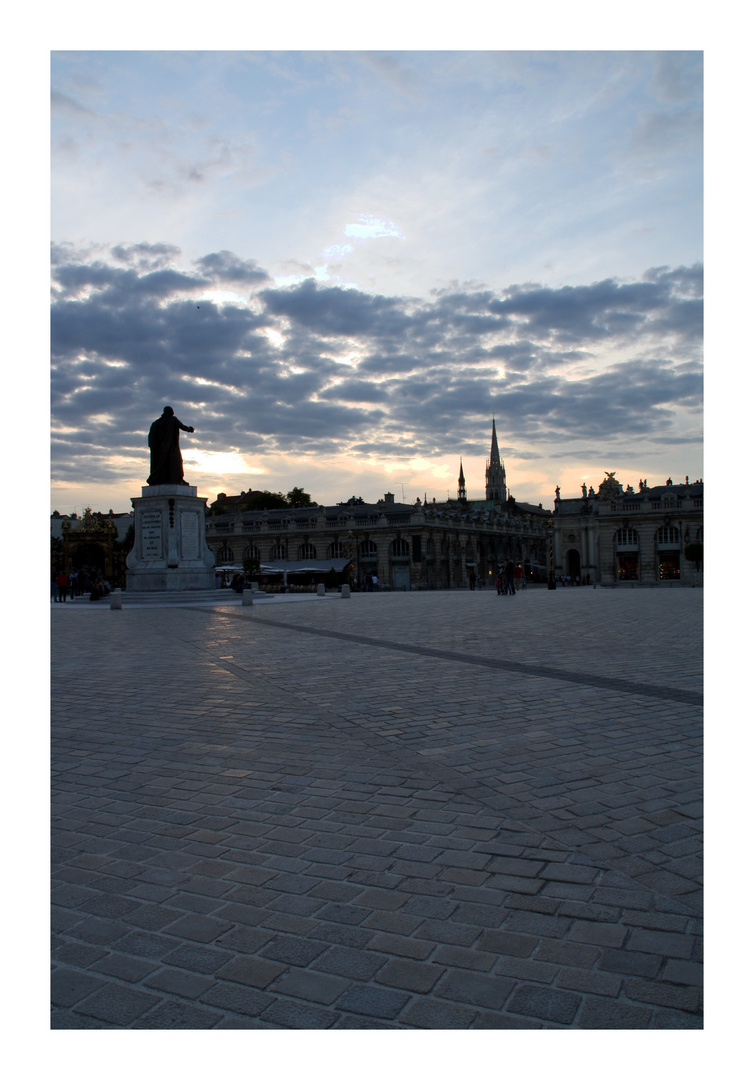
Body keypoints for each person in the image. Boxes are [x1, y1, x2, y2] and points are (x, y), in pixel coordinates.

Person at [147, 406, 196, 486]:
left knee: (162, 463)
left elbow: (151, 438)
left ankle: (162, 478)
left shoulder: (156, 423)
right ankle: (177, 479)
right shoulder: (172, 420)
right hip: (171, 447)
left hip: (160, 449)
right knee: (176, 462)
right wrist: (190, 429)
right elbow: (182, 426)